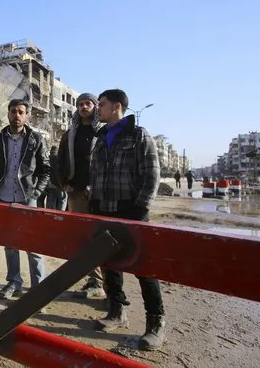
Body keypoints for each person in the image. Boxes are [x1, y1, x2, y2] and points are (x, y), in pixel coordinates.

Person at [90, 89, 165, 351]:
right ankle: (116, 311)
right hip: (104, 209)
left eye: (102, 104)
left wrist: (140, 208)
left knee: (144, 268)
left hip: (132, 210)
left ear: (117, 106)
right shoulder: (100, 138)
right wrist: (94, 206)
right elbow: (95, 174)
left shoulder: (138, 134)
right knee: (110, 264)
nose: (98, 108)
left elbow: (152, 174)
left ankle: (156, 324)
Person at [0, 99, 51, 300]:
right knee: (10, 244)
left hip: (27, 198)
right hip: (4, 197)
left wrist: (36, 193)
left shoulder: (36, 139)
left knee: (34, 246)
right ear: (8, 113)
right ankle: (14, 283)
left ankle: (39, 289)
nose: (17, 115)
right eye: (13, 111)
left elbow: (45, 170)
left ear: (27, 115)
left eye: (21, 112)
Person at [56, 92, 106, 299]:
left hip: (99, 193)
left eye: (88, 103)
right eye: (80, 104)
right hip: (75, 193)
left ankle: (104, 284)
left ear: (95, 107)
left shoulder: (103, 132)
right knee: (81, 238)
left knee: (100, 238)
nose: (84, 107)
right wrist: (64, 183)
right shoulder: (70, 134)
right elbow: (60, 160)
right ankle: (93, 281)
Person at [40, 146, 68, 211]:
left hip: (50, 184)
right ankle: (60, 216)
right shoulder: (57, 158)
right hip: (59, 184)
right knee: (62, 200)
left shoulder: (47, 158)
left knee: (51, 203)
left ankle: (50, 217)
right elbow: (58, 172)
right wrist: (61, 184)